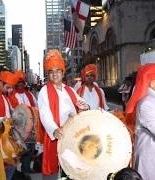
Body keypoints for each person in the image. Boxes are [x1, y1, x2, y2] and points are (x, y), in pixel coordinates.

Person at [38, 49, 90, 179]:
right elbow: (44, 114)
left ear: (62, 72)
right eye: (51, 72)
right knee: (56, 170)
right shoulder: (44, 91)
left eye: (57, 71)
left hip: (73, 133)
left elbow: (81, 102)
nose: (54, 74)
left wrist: (86, 106)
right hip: (58, 133)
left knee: (72, 167)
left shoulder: (70, 90)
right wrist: (54, 129)